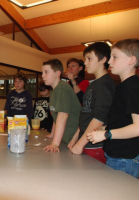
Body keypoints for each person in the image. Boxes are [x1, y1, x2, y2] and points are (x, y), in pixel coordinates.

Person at [87, 39, 139, 178]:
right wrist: (105, 128)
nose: (109, 62)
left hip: (124, 157)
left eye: (115, 57)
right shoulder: (123, 86)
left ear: (131, 60)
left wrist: (106, 134)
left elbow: (138, 128)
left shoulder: (133, 87)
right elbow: (124, 120)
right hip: (117, 154)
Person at [67, 42, 116, 163]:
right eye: (85, 59)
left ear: (103, 59)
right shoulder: (93, 84)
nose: (85, 63)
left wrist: (80, 144)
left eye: (89, 58)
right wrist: (75, 138)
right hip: (85, 142)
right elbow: (86, 115)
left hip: (95, 145)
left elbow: (99, 119)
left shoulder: (104, 84)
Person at [42, 59, 81, 153]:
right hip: (65, 140)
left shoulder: (62, 88)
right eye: (42, 72)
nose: (43, 75)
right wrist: (53, 134)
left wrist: (55, 144)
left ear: (57, 73)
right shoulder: (54, 91)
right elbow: (56, 114)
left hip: (74, 141)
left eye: (46, 72)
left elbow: (62, 116)